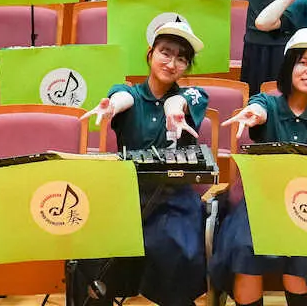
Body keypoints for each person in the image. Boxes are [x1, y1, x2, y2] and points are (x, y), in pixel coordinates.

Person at [210, 29, 307, 306]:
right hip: (261, 202)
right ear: (289, 65)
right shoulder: (267, 102)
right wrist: (254, 115)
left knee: (299, 263)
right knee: (244, 250)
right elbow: (258, 109)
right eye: (303, 62)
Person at [80, 21, 211, 306]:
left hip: (174, 197)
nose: (172, 63)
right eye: (165, 52)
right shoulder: (127, 92)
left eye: (181, 58)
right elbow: (122, 98)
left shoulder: (194, 96)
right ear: (150, 53)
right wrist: (112, 106)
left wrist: (174, 112)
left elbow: (177, 103)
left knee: (176, 247)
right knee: (88, 243)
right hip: (125, 195)